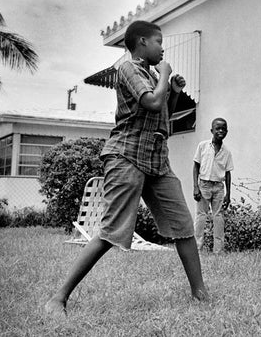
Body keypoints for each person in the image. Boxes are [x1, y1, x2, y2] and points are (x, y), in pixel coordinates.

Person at [45, 21, 208, 317]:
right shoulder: (128, 68)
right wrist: (166, 76)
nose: (163, 48)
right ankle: (58, 298)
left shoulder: (150, 74)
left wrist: (172, 90)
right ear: (142, 42)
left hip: (157, 161)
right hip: (126, 156)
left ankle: (200, 294)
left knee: (183, 226)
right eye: (159, 42)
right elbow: (151, 102)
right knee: (111, 231)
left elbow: (163, 117)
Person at [193, 117, 234, 254]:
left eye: (223, 128)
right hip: (204, 185)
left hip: (218, 187)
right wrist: (195, 186)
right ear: (212, 130)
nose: (220, 130)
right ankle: (197, 248)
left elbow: (228, 173)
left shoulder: (227, 152)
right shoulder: (203, 146)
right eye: (218, 128)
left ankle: (218, 250)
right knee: (201, 216)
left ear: (227, 131)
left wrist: (228, 194)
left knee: (219, 217)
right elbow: (196, 166)